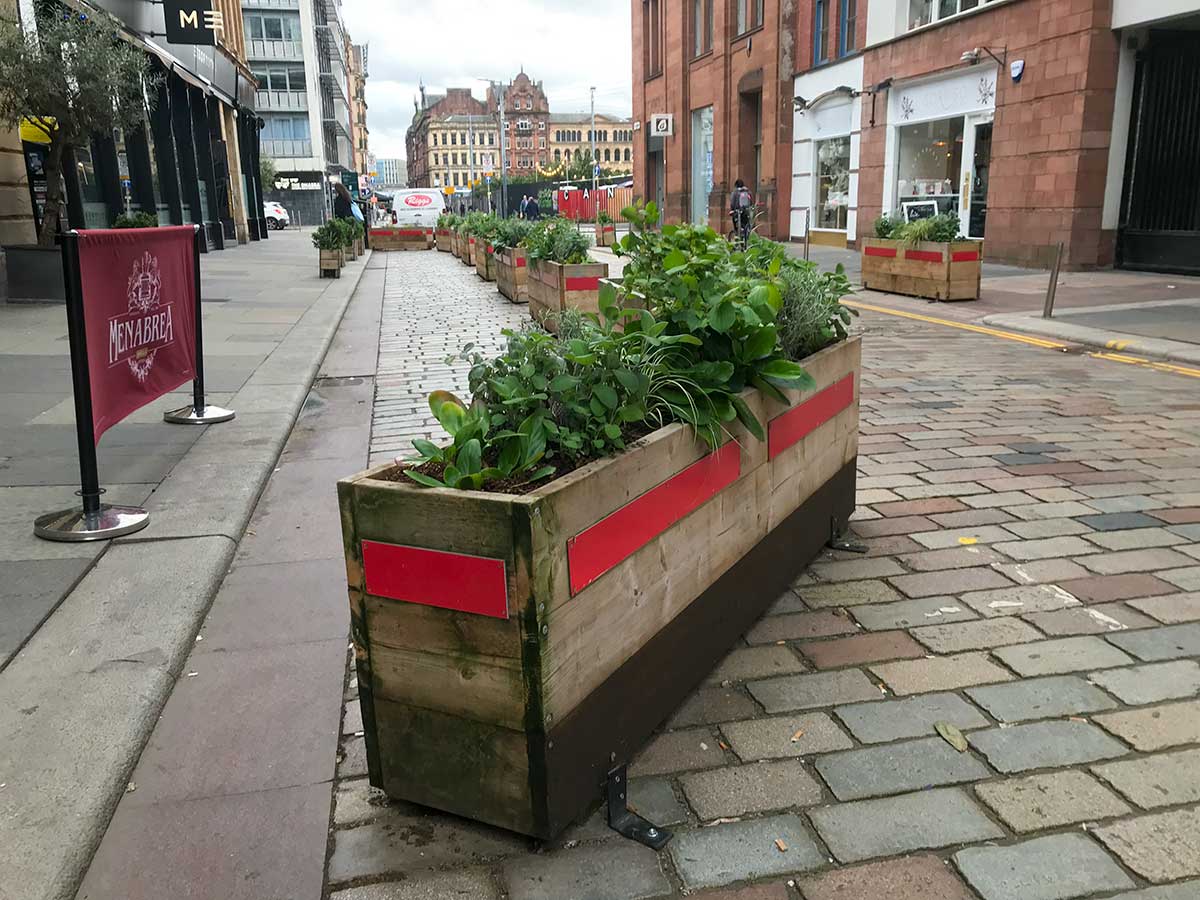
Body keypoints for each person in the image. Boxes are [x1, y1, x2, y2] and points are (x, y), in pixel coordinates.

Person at [730, 179, 753, 250]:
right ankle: (745, 239)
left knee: (736, 226)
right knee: (746, 225)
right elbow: (751, 201)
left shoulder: (735, 192)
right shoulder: (748, 192)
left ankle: (737, 236)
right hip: (746, 212)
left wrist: (732, 210)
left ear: (736, 185)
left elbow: (732, 203)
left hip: (738, 212)